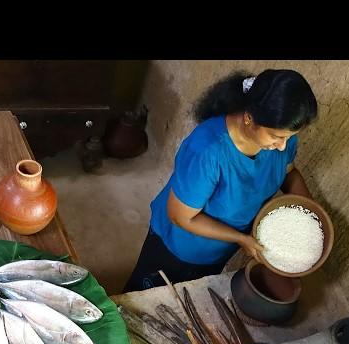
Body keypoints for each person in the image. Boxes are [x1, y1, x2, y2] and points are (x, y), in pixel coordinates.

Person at [122, 69, 318, 293]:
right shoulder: (208, 151)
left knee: (193, 294)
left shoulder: (281, 141)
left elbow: (288, 171)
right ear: (249, 118)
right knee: (147, 297)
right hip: (179, 248)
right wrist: (241, 239)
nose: (283, 145)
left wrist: (309, 215)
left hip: (221, 249)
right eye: (277, 136)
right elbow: (180, 216)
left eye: (289, 137)